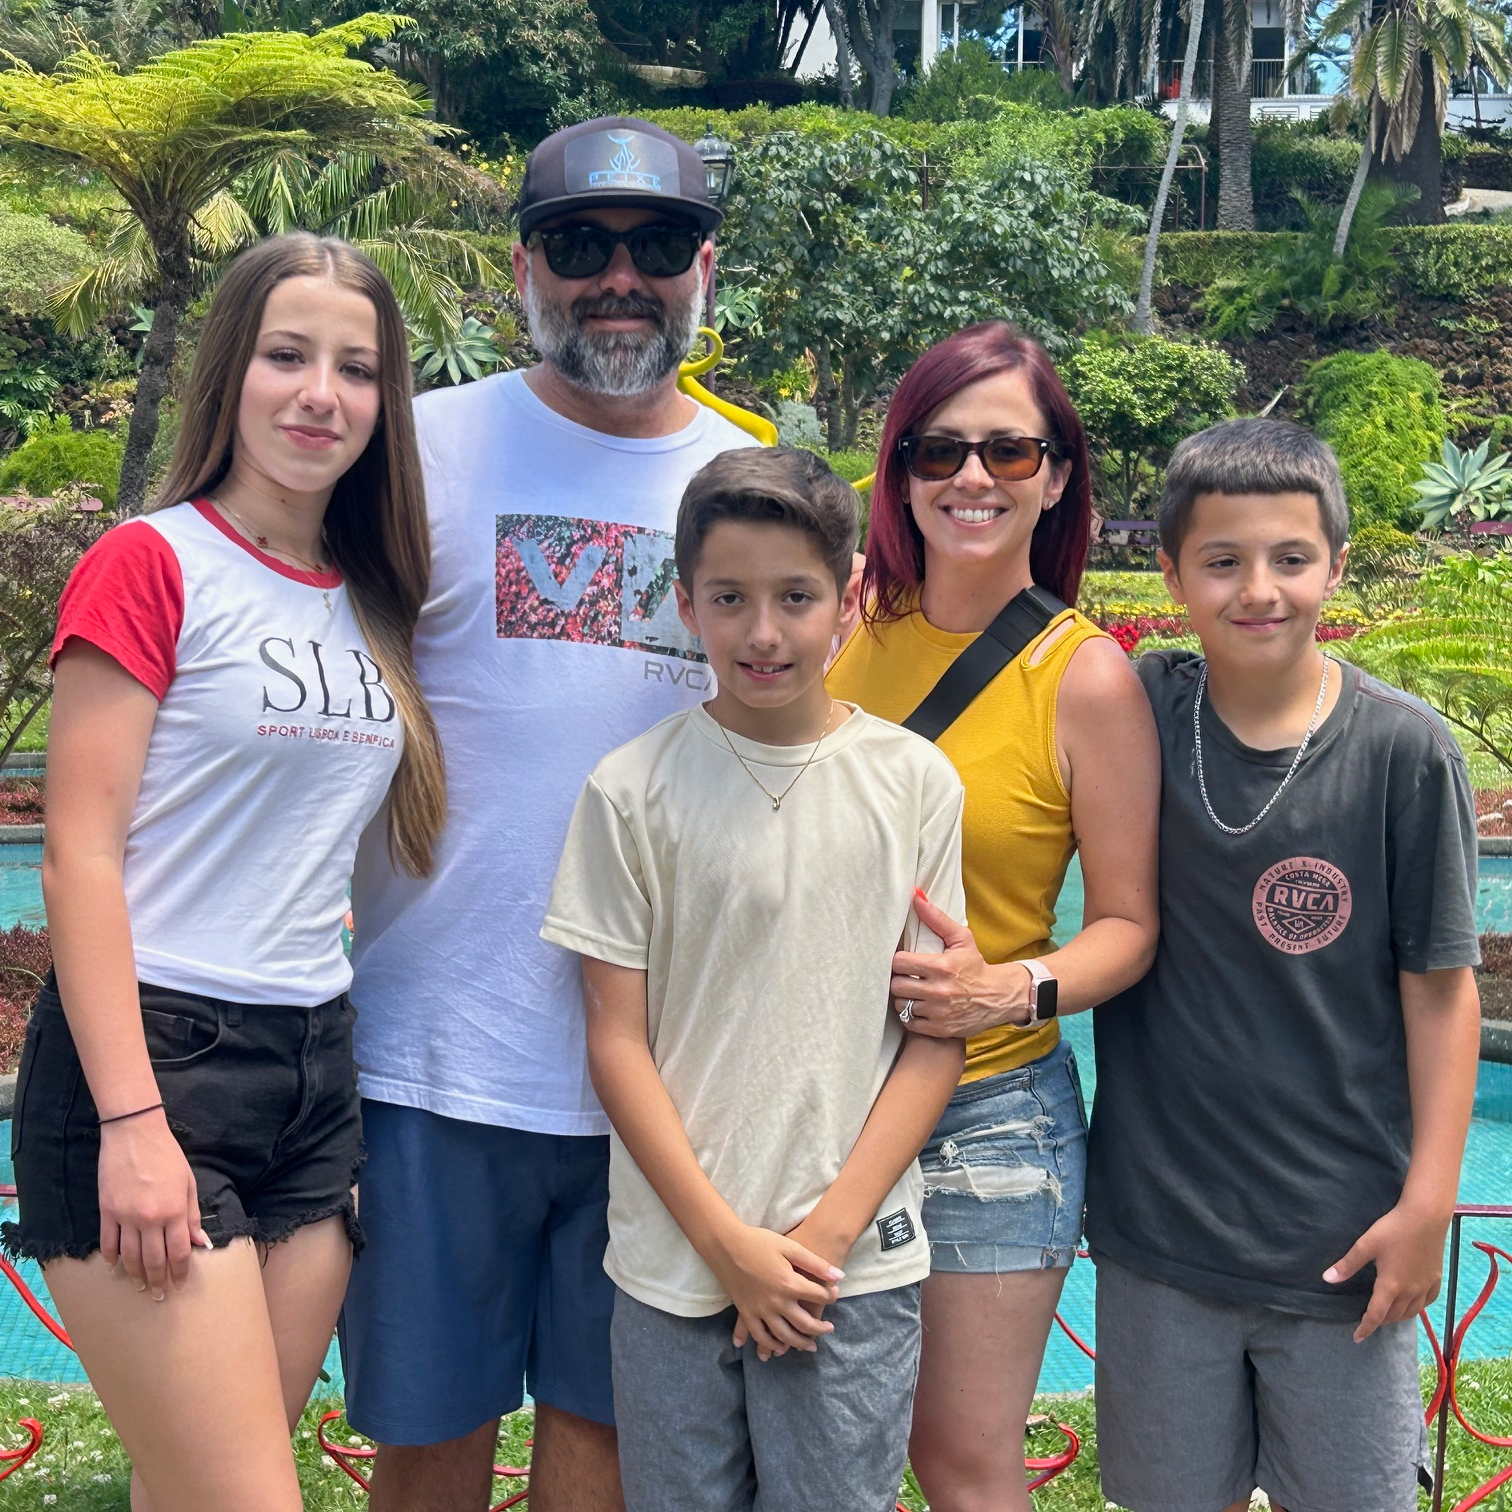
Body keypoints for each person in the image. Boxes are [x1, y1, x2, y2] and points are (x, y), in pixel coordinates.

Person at [339, 116, 758, 1509]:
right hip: (436, 1050)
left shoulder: (755, 491)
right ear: (524, 265)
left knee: (612, 1441)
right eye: (583, 246)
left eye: (658, 246)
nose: (620, 278)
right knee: (431, 1440)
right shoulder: (409, 453)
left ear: (707, 267)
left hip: (668, 1068)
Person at [1, 233, 444, 1511]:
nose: (321, 394)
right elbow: (75, 857)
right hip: (152, 1067)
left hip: (313, 1074)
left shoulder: (369, 598)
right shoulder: (152, 563)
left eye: (356, 369)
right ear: (229, 373)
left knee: (187, 1490)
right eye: (286, 356)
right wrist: (137, 1127)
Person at [541, 446, 968, 1511]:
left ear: (849, 598)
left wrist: (821, 1239)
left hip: (849, 1273)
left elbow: (932, 1035)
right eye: (730, 599)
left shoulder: (912, 782)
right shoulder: (631, 791)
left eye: (795, 597)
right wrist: (728, 1246)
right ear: (684, 602)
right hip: (674, 1267)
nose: (763, 632)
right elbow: (615, 1040)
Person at [1085, 418, 1483, 1512]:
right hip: (1162, 1237)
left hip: (1344, 1240)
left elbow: (1443, 991)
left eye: (1291, 558)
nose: (1258, 589)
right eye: (1221, 561)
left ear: (1336, 568)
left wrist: (1429, 1204)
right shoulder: (1138, 713)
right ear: (1168, 574)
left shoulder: (1404, 751)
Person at [826, 320, 1161, 1512]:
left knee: (963, 1463)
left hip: (989, 1103)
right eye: (939, 449)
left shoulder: (1086, 676)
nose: (971, 478)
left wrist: (1010, 987)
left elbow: (1127, 924)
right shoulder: (833, 627)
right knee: (821, 1442)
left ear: (1056, 475)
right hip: (817, 1090)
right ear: (898, 470)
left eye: (1008, 453)